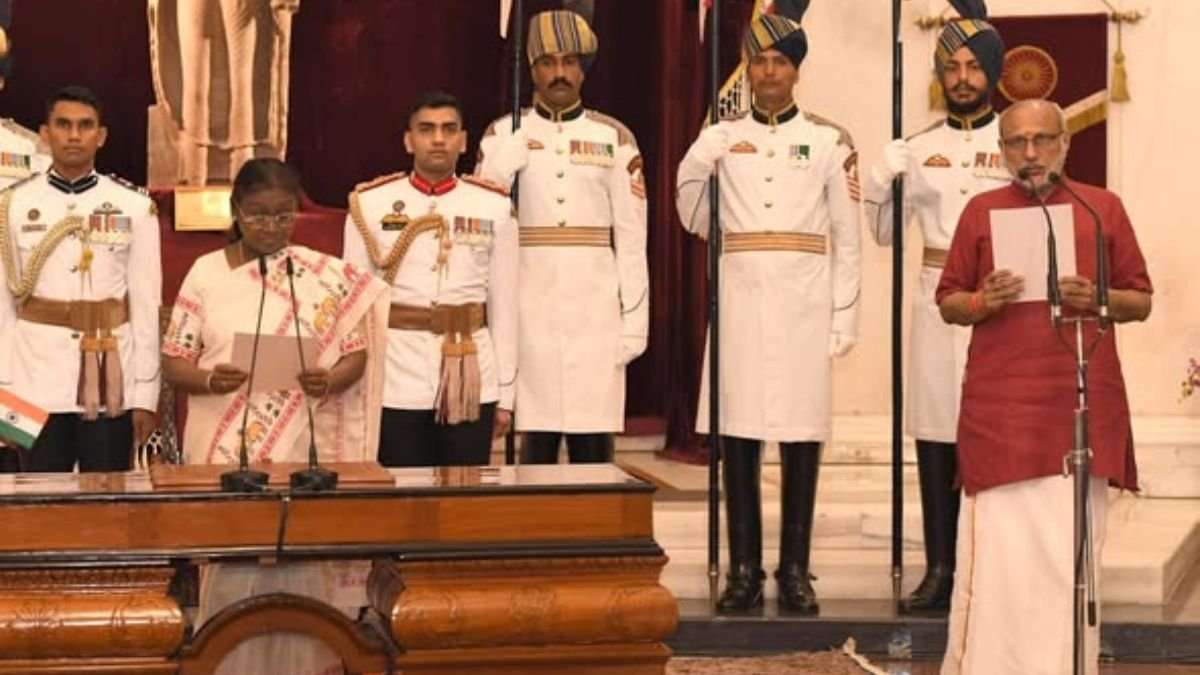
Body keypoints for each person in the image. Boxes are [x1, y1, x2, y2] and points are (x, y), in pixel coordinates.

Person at [935, 98, 1152, 674]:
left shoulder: (1100, 208)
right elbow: (949, 301)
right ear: (1001, 150)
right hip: (1002, 411)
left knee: (1068, 558)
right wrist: (984, 300)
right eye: (1015, 144)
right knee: (1003, 561)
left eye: (1040, 140)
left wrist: (1097, 299)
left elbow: (1141, 300)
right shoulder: (981, 210)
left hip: (1079, 404)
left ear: (1065, 143)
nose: (1029, 155)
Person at [162, 157, 389, 674]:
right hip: (221, 447)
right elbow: (175, 361)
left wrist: (329, 379)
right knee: (233, 561)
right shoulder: (207, 273)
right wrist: (209, 378)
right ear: (236, 212)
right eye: (260, 216)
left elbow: (355, 352)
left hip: (296, 448)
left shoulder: (316, 274)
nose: (272, 228)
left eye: (283, 217)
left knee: (295, 563)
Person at [675, 14, 861, 614]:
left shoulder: (829, 142)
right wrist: (697, 162)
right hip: (740, 306)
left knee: (802, 439)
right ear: (749, 71)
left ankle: (797, 570)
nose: (768, 71)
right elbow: (692, 218)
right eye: (759, 61)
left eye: (779, 61)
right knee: (740, 441)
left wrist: (844, 316)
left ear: (796, 71)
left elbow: (847, 235)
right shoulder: (723, 138)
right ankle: (745, 570)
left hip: (804, 307)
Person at [861, 13, 1007, 612]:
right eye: (952, 67)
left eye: (974, 67)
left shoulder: (1016, 138)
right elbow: (884, 233)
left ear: (993, 73)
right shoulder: (918, 148)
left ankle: (993, 569)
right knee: (935, 433)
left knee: (996, 437)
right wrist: (881, 182)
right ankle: (941, 567)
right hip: (936, 294)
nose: (963, 77)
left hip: (1003, 299)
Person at [477, 9, 649, 465]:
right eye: (548, 62)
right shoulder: (501, 133)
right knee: (536, 438)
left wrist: (635, 320)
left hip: (595, 307)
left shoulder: (614, 137)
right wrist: (495, 174)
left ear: (583, 68)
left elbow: (632, 239)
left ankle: (596, 536)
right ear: (531, 68)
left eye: (569, 62)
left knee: (594, 442)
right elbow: (478, 230)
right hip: (527, 302)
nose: (558, 73)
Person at [344, 91, 517, 467]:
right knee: (400, 496)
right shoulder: (371, 204)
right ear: (408, 140)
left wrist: (506, 394)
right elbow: (353, 306)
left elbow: (505, 304)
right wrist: (357, 385)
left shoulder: (494, 206)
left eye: (448, 129)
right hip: (395, 376)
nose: (438, 139)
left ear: (464, 140)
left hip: (471, 372)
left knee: (464, 496)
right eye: (426, 129)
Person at [0, 85, 161, 472]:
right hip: (33, 379)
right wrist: (4, 394)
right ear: (44, 133)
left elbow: (145, 305)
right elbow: (4, 305)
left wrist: (146, 395)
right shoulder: (12, 204)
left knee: (107, 495)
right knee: (36, 493)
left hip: (111, 381)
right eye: (64, 125)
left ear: (101, 135)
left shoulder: (134, 207)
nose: (74, 135)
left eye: (86, 125)